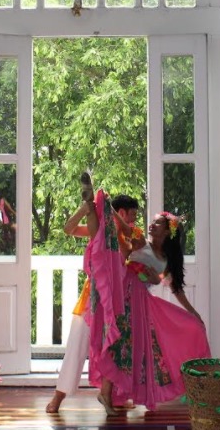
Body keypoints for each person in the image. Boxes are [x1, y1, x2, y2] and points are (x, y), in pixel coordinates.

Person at [82, 173, 210, 414]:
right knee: (118, 343)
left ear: (167, 232)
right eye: (152, 222)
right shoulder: (141, 241)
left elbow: (175, 289)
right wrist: (108, 206)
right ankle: (106, 394)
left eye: (157, 223)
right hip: (125, 295)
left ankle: (109, 394)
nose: (151, 225)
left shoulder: (166, 260)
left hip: (141, 304)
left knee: (130, 348)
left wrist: (193, 314)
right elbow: (121, 227)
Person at [45, 193, 142, 414]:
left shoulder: (127, 237)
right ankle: (58, 399)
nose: (134, 220)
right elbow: (68, 229)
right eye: (133, 215)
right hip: (92, 301)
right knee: (76, 347)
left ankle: (110, 396)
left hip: (114, 305)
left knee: (114, 349)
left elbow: (130, 250)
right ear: (122, 212)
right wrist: (84, 208)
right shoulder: (98, 230)